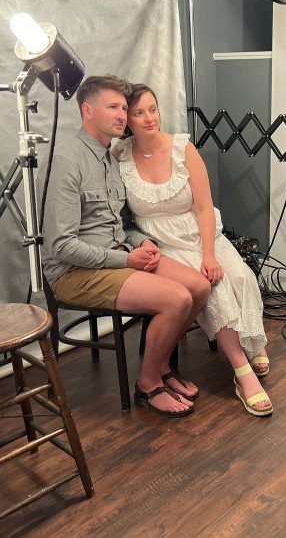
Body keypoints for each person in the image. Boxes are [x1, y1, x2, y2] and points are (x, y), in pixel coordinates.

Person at [39, 75, 211, 418]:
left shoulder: (111, 156)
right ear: (88, 111)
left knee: (199, 287)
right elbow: (61, 245)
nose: (122, 115)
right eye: (114, 107)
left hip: (116, 255)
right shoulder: (68, 160)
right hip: (75, 271)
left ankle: (159, 364)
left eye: (123, 108)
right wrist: (125, 259)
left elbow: (121, 224)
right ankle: (148, 384)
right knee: (176, 299)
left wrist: (140, 243)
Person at [115, 83, 272, 417]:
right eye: (139, 112)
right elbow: (119, 217)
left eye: (153, 109)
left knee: (239, 275)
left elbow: (204, 208)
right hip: (162, 244)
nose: (148, 118)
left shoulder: (181, 148)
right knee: (214, 288)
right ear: (127, 118)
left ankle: (253, 342)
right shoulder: (119, 157)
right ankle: (241, 370)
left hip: (202, 235)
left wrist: (209, 254)